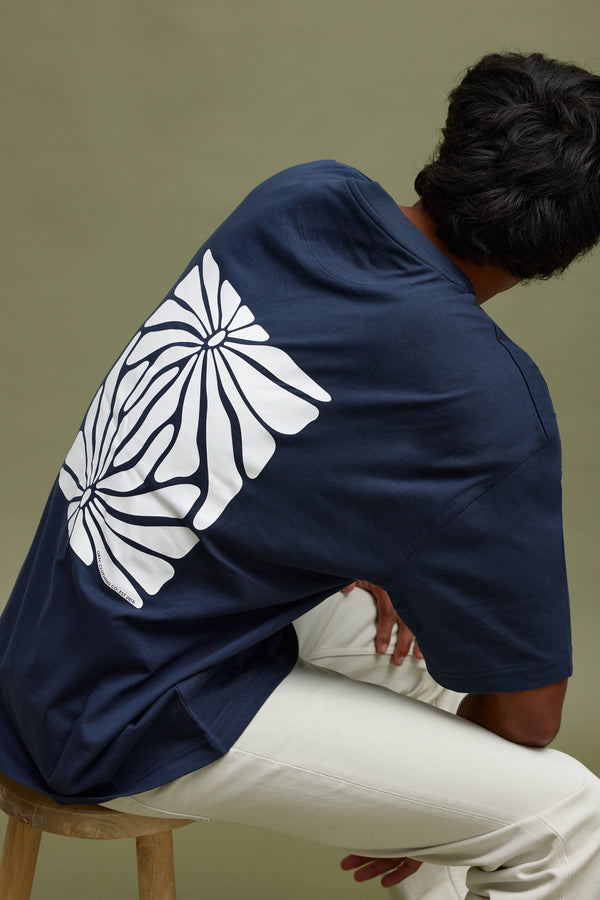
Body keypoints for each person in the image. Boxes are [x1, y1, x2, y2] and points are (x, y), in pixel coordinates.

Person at [1, 50, 600, 898]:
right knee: (568, 820)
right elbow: (530, 717)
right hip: (121, 718)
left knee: (419, 657)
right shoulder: (485, 397)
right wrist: (432, 820)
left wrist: (435, 808)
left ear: (452, 145)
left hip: (47, 646)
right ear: (563, 250)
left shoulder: (303, 198)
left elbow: (265, 429)